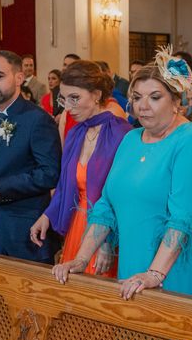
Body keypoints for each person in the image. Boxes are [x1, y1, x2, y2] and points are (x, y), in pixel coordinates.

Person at [51, 49, 192, 302]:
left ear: (176, 101)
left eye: (155, 97)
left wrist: (155, 273)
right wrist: (80, 258)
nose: (142, 106)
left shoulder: (191, 139)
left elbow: (183, 217)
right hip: (136, 258)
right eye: (137, 97)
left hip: (177, 265)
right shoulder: (131, 139)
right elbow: (105, 206)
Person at [30, 61, 131, 277]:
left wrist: (107, 241)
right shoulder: (77, 133)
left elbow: (124, 194)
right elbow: (66, 183)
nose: (68, 107)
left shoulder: (121, 132)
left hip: (107, 229)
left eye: (75, 98)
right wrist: (47, 215)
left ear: (96, 94)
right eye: (64, 99)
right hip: (78, 221)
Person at [0, 50, 62, 263]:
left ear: (19, 78)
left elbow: (50, 173)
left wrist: (1, 187)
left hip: (27, 230)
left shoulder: (37, 120)